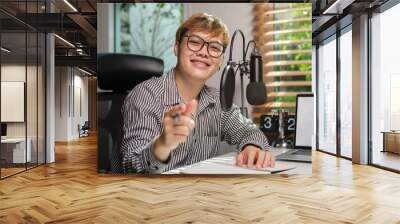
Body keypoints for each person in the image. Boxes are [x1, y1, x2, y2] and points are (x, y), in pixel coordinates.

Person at [120, 12, 275, 174]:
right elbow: (131, 167)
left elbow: (250, 131)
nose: (204, 52)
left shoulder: (218, 101)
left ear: (221, 61)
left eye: (214, 47)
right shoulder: (145, 95)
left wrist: (252, 147)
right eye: (194, 42)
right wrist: (162, 144)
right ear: (176, 47)